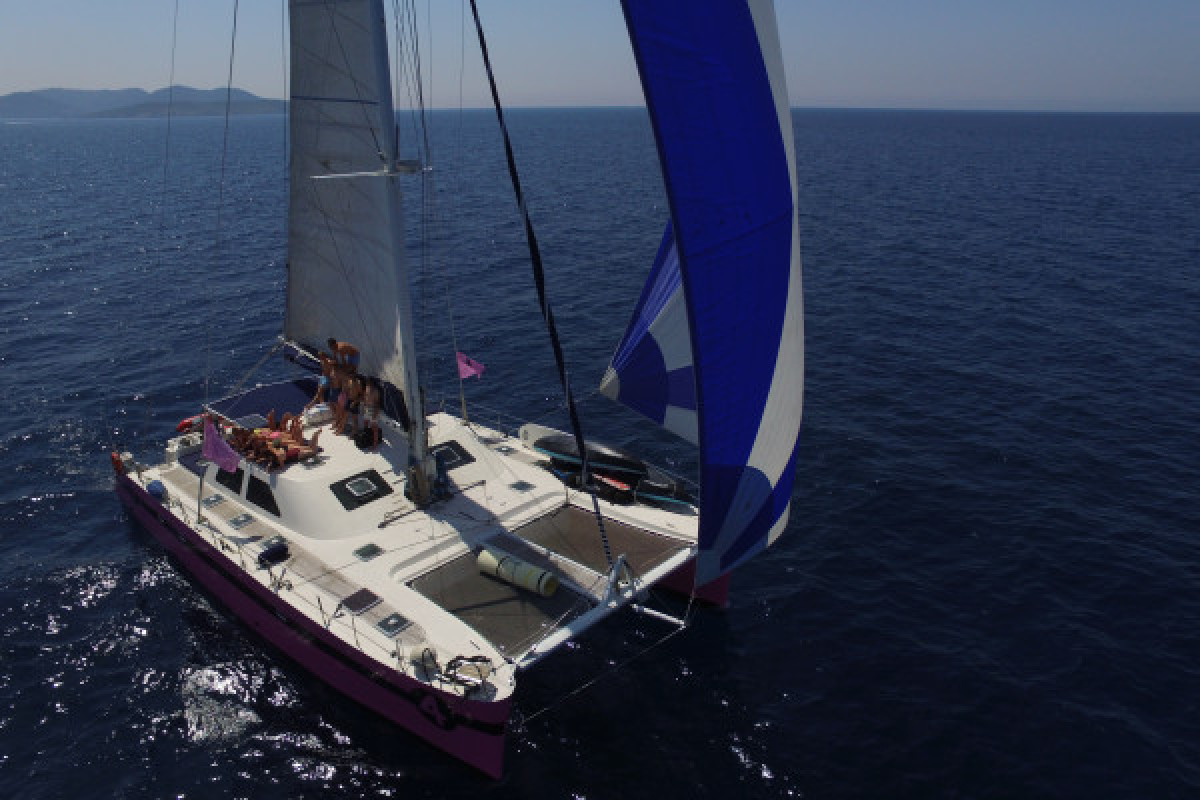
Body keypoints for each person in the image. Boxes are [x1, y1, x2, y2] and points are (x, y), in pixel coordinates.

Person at [361, 377, 382, 450]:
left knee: (374, 427)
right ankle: (367, 437)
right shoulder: (366, 388)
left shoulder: (376, 391)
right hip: (367, 409)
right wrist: (364, 408)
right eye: (367, 382)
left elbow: (378, 404)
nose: (367, 383)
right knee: (365, 423)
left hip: (373, 409)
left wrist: (375, 414)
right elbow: (365, 398)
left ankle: (375, 443)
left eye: (368, 382)